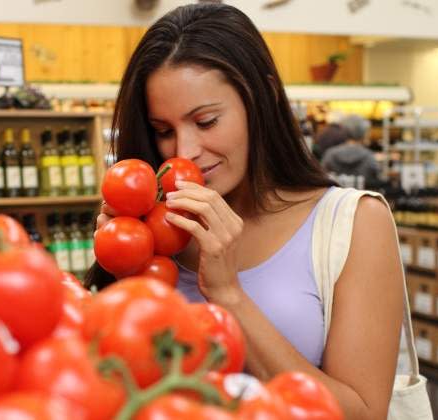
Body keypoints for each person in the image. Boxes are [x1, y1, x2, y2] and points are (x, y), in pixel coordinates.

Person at [86, 4, 404, 419]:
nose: (185, 152)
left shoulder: (353, 223)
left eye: (206, 121)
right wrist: (128, 283)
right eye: (163, 131)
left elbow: (362, 414)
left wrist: (228, 294)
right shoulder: (151, 229)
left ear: (264, 96)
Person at [321, 114, 381, 189]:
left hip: (337, 199)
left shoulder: (330, 154)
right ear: (363, 132)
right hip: (361, 198)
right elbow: (376, 179)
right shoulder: (369, 157)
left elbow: (323, 178)